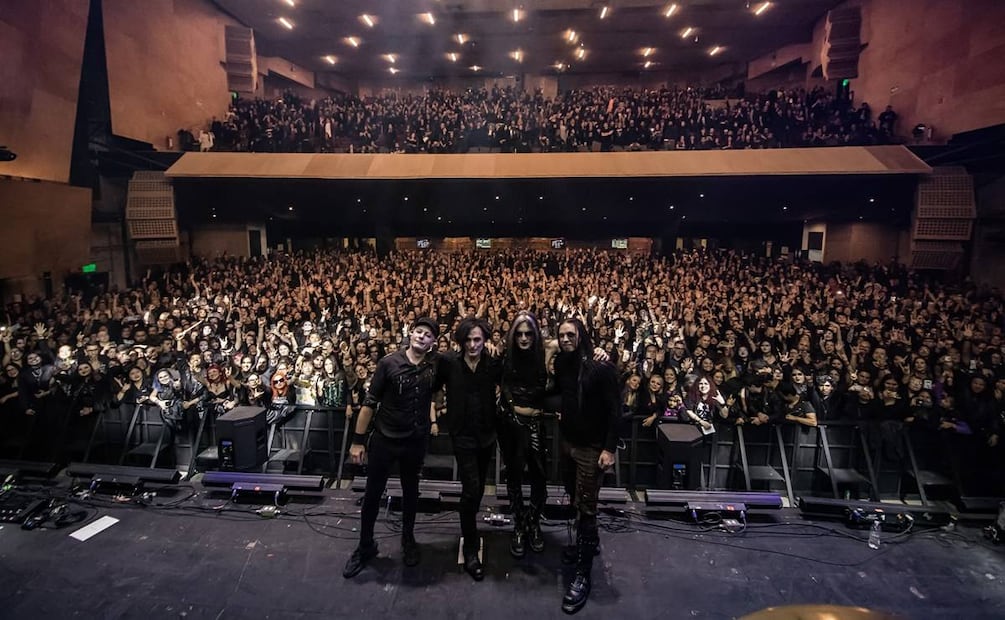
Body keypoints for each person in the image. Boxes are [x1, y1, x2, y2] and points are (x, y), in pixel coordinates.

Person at [343, 318, 446, 578]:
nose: (422, 336)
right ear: (411, 333)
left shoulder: (435, 366)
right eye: (419, 331)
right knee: (372, 494)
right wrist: (357, 441)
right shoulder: (388, 363)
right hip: (385, 439)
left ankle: (408, 539)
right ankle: (365, 545)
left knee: (411, 492)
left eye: (428, 335)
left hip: (415, 440)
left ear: (433, 342)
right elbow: (370, 402)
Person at [552, 317, 619, 615]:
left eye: (570, 334)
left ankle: (583, 575)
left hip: (592, 447)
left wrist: (609, 448)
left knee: (587, 507)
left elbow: (616, 410)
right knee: (575, 498)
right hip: (568, 442)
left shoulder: (601, 367)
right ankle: (585, 547)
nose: (565, 339)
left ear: (581, 335)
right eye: (561, 335)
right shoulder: (561, 363)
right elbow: (562, 394)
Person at [435, 317, 501, 581]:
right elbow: (434, 386)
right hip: (461, 434)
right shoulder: (449, 362)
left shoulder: (492, 362)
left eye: (477, 340)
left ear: (485, 340)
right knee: (471, 489)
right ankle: (471, 548)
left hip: (486, 434)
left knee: (477, 487)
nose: (473, 345)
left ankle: (470, 525)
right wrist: (436, 409)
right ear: (460, 341)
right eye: (468, 340)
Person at [498, 311, 551, 559]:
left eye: (528, 333)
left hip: (536, 421)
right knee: (514, 475)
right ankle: (519, 524)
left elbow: (576, 349)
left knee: (540, 475)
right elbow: (502, 384)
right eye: (519, 333)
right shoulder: (506, 356)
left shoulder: (546, 353)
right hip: (512, 422)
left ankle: (533, 522)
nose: (523, 338)